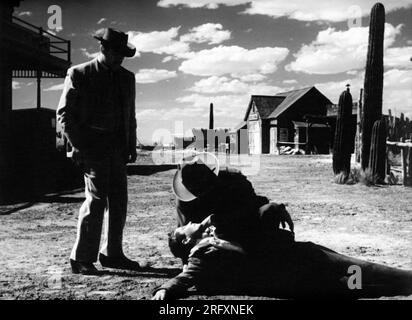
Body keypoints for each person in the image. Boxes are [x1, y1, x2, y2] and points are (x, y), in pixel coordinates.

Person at [152, 215, 412, 300]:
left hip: (306, 256)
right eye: (183, 227)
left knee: (363, 272)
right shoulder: (200, 255)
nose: (189, 222)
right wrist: (165, 289)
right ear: (185, 240)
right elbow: (184, 278)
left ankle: (403, 281)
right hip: (301, 272)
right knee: (361, 280)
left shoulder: (214, 227)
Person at [57, 28, 139, 275]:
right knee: (96, 201)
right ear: (103, 48)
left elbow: (130, 115)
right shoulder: (80, 73)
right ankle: (81, 258)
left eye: (123, 55)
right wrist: (78, 147)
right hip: (91, 146)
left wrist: (131, 145)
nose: (119, 59)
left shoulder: (127, 77)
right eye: (115, 53)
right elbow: (64, 114)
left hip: (117, 146)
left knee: (119, 201)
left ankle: (112, 253)